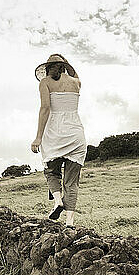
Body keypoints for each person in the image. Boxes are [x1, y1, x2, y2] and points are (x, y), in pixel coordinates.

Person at [31, 54, 87, 228]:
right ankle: (69, 221)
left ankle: (57, 201)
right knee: (71, 181)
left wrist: (38, 137)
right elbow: (75, 74)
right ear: (64, 66)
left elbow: (45, 108)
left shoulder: (45, 82)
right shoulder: (76, 83)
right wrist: (67, 64)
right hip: (76, 134)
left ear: (47, 68)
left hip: (55, 133)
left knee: (51, 172)